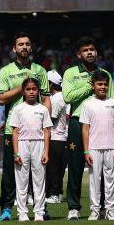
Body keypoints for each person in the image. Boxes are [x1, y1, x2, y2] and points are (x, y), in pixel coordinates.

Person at [0, 32, 50, 221]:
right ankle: (7, 208)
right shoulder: (6, 71)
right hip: (14, 130)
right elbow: (1, 99)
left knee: (39, 171)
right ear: (14, 49)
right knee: (11, 172)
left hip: (36, 130)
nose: (24, 47)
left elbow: (46, 98)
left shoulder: (40, 71)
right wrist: (23, 86)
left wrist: (46, 120)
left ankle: (40, 208)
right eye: (20, 44)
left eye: (27, 44)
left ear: (31, 47)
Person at [60, 37, 113, 220]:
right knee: (75, 166)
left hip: (101, 125)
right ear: (79, 54)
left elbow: (111, 102)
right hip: (77, 123)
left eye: (92, 49)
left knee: (105, 168)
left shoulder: (105, 73)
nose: (90, 52)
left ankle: (105, 208)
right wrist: (89, 85)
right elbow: (67, 97)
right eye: (85, 50)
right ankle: (74, 207)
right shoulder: (70, 73)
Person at [79, 70, 114, 221]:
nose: (102, 87)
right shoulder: (87, 104)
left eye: (105, 84)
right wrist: (86, 151)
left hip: (111, 147)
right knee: (94, 180)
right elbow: (85, 128)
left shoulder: (113, 103)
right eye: (99, 84)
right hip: (94, 148)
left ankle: (110, 210)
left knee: (110, 180)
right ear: (93, 86)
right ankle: (95, 211)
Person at [11, 77, 52, 222]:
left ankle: (39, 212)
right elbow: (15, 132)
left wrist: (46, 151)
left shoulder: (43, 109)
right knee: (21, 181)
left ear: (38, 91)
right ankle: (22, 213)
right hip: (22, 144)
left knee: (39, 181)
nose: (31, 92)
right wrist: (16, 153)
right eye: (28, 89)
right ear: (23, 91)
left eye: (34, 89)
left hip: (39, 144)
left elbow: (47, 131)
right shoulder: (18, 108)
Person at [45, 70, 68, 205]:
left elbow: (51, 119)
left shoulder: (57, 98)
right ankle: (57, 193)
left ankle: (54, 193)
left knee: (53, 168)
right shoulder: (58, 97)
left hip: (56, 137)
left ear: (51, 84)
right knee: (57, 168)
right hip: (58, 137)